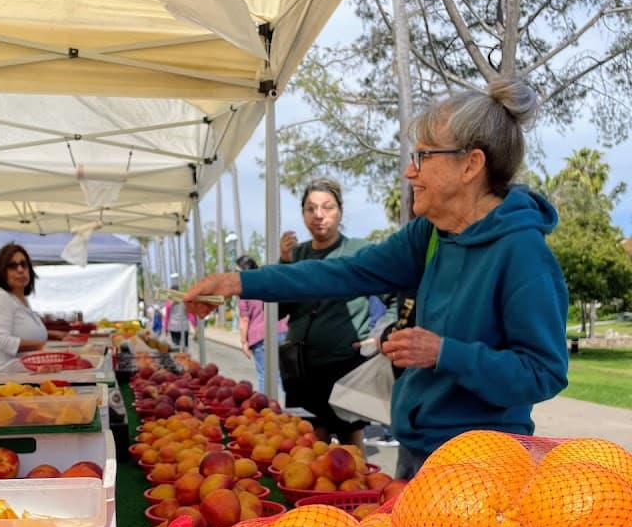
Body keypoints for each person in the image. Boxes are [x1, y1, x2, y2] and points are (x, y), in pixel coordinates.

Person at [183, 78, 569, 480]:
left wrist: (444, 353)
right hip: (418, 449)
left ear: (470, 165)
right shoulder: (431, 235)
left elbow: (543, 372)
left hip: (480, 467)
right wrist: (238, 283)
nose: (409, 171)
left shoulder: (523, 254)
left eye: (423, 156)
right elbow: (342, 271)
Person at [275, 177, 389, 447]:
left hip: (347, 365)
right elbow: (278, 311)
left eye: (327, 207)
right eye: (311, 208)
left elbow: (395, 296)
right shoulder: (297, 255)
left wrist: (382, 333)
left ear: (340, 211)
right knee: (311, 444)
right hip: (302, 368)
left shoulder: (359, 251)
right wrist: (284, 263)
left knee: (350, 447)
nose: (319, 215)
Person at [0, 243, 68, 370]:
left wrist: (51, 334)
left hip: (26, 375)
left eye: (24, 264)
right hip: (7, 377)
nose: (20, 270)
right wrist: (43, 345)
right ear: (1, 271)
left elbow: (20, 330)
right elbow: (0, 340)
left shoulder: (18, 300)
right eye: (12, 266)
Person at [235, 254, 289, 395]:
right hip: (282, 332)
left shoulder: (245, 290)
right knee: (283, 374)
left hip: (260, 337)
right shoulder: (267, 282)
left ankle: (265, 406)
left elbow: (244, 319)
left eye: (236, 271)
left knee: (264, 374)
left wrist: (244, 341)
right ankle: (291, 403)